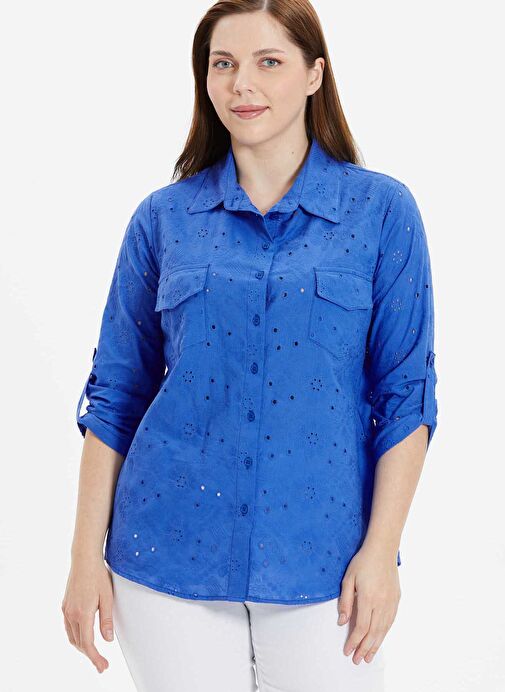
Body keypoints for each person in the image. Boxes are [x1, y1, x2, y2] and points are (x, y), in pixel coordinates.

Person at [62, 1, 439, 690]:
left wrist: (382, 552)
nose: (243, 84)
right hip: (165, 556)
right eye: (223, 64)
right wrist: (84, 557)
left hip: (326, 563)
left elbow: (406, 396)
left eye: (269, 62)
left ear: (313, 74)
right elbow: (115, 395)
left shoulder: (381, 213)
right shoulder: (162, 219)